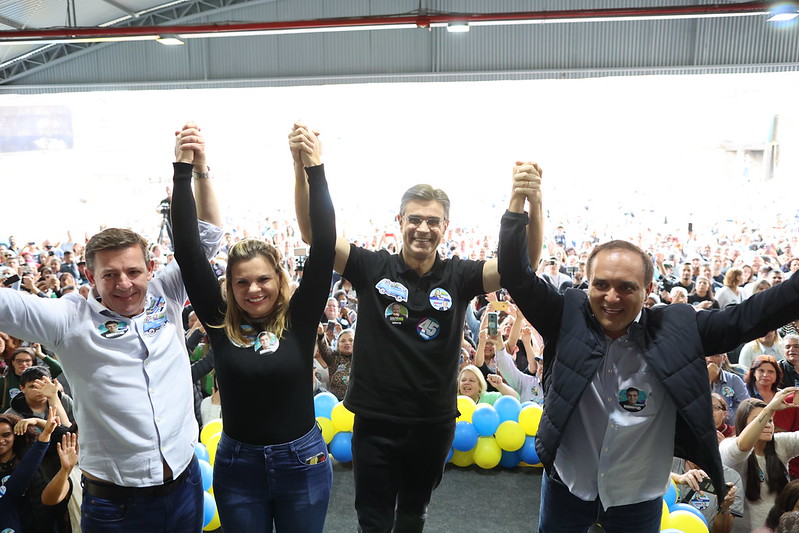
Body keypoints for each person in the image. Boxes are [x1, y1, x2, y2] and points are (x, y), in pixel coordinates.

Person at [497, 166, 799, 532]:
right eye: (601, 285)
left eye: (626, 287)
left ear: (648, 289)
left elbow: (750, 316)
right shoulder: (565, 315)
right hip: (566, 487)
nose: (611, 297)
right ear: (586, 283)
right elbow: (515, 274)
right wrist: (518, 205)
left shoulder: (679, 329)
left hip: (637, 499)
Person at [291, 122, 543, 532]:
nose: (422, 228)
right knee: (372, 521)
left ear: (446, 227)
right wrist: (306, 168)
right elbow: (313, 234)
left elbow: (521, 266)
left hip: (432, 425)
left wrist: (529, 199)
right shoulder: (373, 267)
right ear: (400, 220)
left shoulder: (460, 276)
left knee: (412, 518)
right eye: (415, 219)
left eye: (433, 221)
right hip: (375, 422)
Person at [0, 122, 222, 532]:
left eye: (134, 271)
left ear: (150, 268)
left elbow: (206, 240)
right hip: (116, 504)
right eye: (110, 275)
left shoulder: (167, 291)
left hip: (185, 483)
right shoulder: (68, 319)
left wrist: (201, 168)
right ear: (89, 275)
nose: (124, 284)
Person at [172, 122, 335, 532]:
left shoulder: (300, 318)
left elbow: (325, 242)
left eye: (263, 279)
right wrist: (184, 170)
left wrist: (314, 169)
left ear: (280, 279)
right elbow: (189, 251)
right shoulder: (217, 319)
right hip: (238, 465)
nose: (253, 289)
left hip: (303, 461)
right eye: (242, 281)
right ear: (229, 285)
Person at [720, 394, 799, 533]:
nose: (767, 424)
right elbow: (742, 447)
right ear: (743, 423)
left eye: (770, 420)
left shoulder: (779, 444)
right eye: (760, 420)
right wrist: (769, 408)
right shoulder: (728, 446)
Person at [0, 406, 59, 532]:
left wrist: (39, 423)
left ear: (15, 435)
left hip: (39, 522)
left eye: (6, 435)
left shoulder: (29, 455)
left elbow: (66, 435)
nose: (1, 440)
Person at [707, 353, 749, 425]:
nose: (710, 359)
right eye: (706, 355)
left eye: (716, 355)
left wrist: (721, 415)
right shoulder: (691, 379)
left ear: (724, 359)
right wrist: (708, 379)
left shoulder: (734, 380)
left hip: (729, 429)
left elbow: (745, 408)